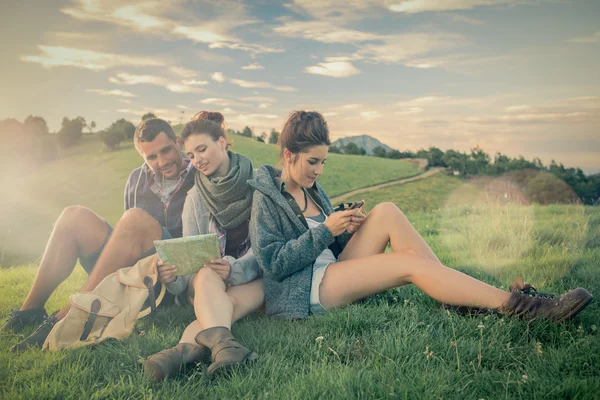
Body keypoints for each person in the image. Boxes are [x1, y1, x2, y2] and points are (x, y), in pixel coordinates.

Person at [248, 110, 593, 322]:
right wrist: (325, 231)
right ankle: (525, 307)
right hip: (305, 289)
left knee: (387, 212)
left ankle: (456, 296)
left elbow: (331, 246)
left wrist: (347, 228)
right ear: (289, 155)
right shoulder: (266, 198)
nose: (319, 170)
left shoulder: (312, 190)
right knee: (409, 264)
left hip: (331, 270)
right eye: (313, 162)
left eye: (324, 162)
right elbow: (274, 264)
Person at [5, 118, 195, 351]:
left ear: (178, 142)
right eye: (152, 157)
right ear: (142, 157)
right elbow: (128, 234)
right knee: (74, 215)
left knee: (135, 217)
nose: (162, 161)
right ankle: (29, 311)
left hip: (171, 277)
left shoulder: (200, 172)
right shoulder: (136, 179)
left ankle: (67, 316)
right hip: (134, 272)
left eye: (166, 150)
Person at [143, 111, 263, 381]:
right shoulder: (195, 198)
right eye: (192, 155)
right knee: (207, 273)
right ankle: (227, 348)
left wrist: (232, 270)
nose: (197, 160)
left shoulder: (257, 185)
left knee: (227, 302)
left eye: (202, 149)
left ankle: (180, 352)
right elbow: (190, 256)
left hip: (251, 278)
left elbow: (265, 249)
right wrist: (172, 276)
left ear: (221, 142)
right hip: (205, 284)